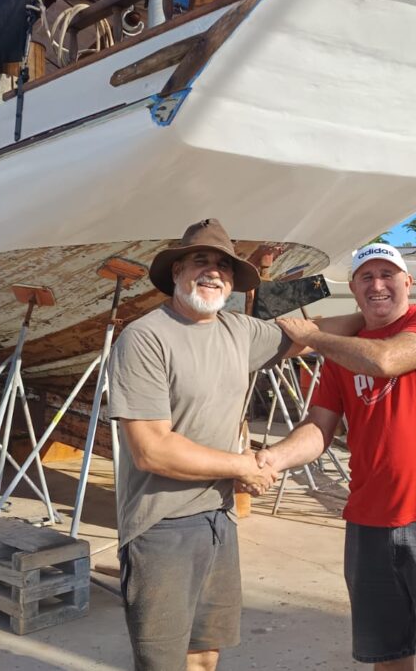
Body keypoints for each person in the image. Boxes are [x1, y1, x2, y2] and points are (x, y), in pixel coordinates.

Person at [108, 218, 360, 671]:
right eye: (200, 261)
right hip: (162, 524)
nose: (213, 271)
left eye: (223, 265)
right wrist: (243, 467)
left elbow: (314, 331)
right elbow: (152, 449)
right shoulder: (145, 337)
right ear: (177, 272)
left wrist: (387, 316)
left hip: (218, 518)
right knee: (161, 661)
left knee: (206, 654)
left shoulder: (238, 331)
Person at [262, 242, 416, 671]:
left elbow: (386, 360)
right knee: (386, 658)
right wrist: (272, 459)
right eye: (366, 277)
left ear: (408, 282)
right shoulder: (341, 351)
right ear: (352, 288)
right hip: (368, 522)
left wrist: (312, 336)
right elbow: (318, 426)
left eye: (388, 275)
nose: (378, 284)